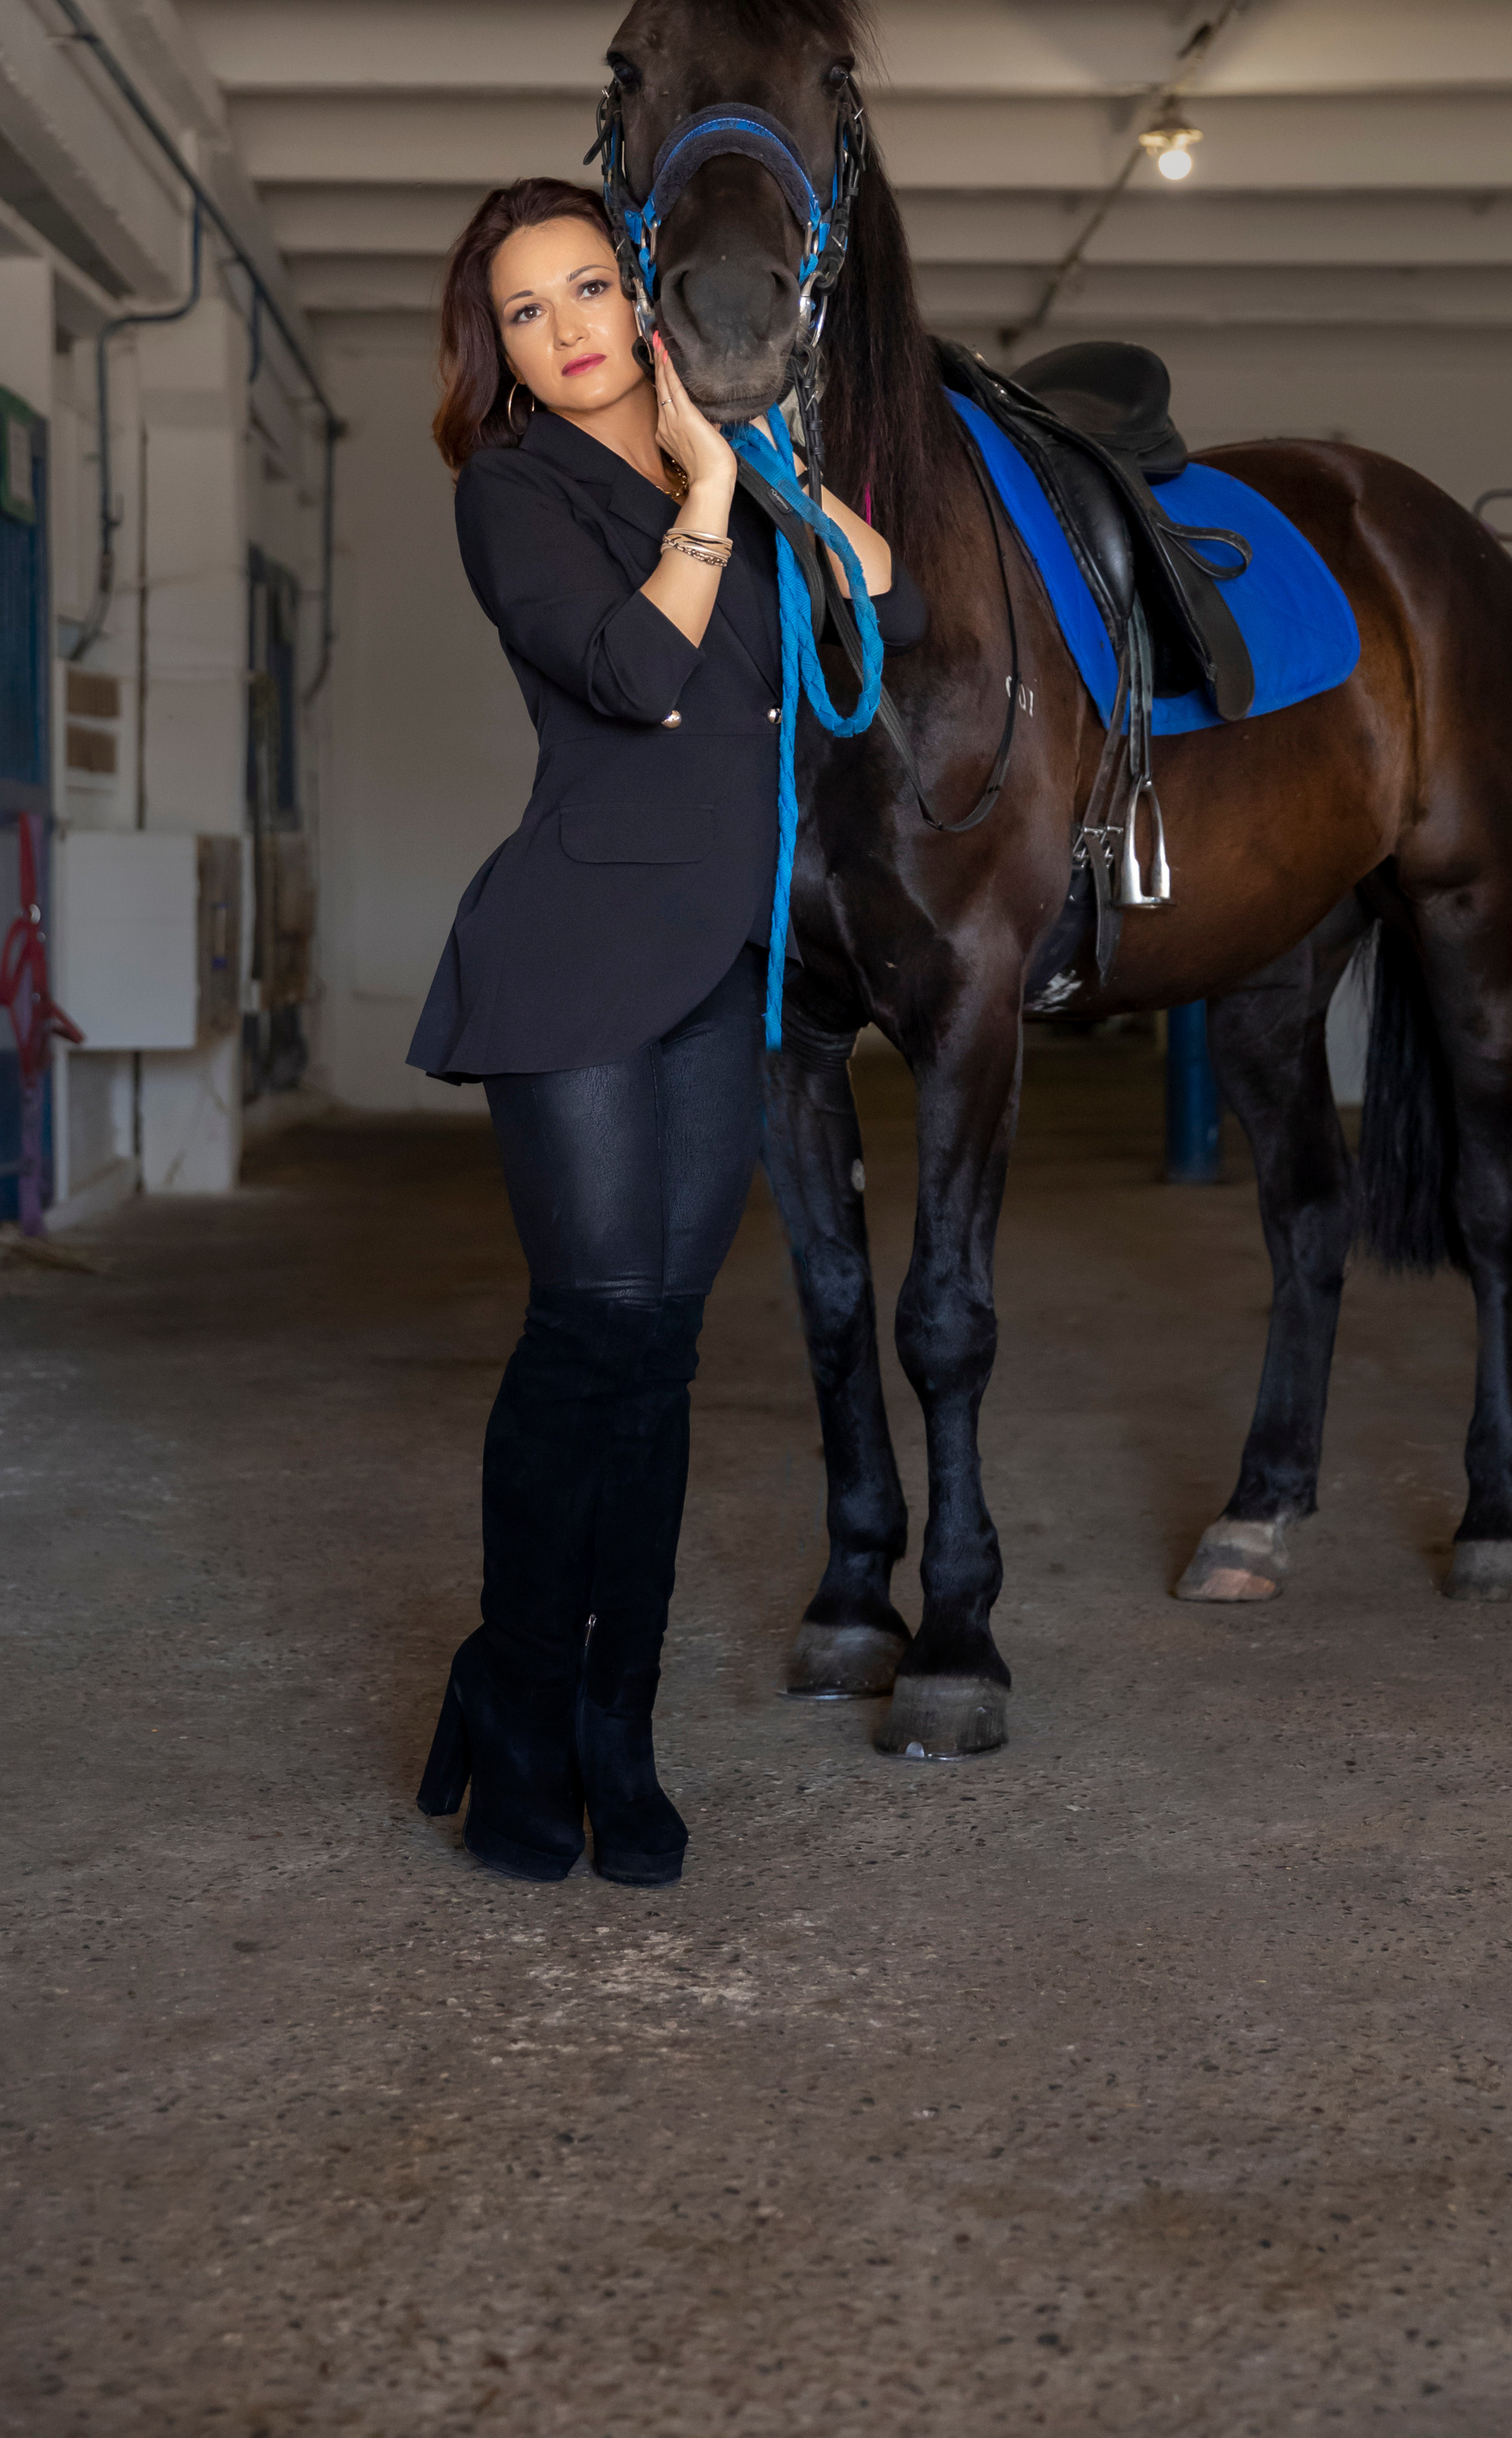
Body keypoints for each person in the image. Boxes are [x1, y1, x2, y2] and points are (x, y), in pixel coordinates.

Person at [407, 178, 927, 1887]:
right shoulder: (512, 491)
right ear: (492, 347)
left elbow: (875, 588)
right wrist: (708, 497)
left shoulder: (736, 445)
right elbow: (633, 675)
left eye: (584, 291)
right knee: (589, 1332)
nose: (560, 333)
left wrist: (760, 459)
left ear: (640, 296)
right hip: (567, 958)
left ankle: (610, 1728)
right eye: (522, 312)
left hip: (723, 959)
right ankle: (516, 1705)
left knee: (662, 1356)